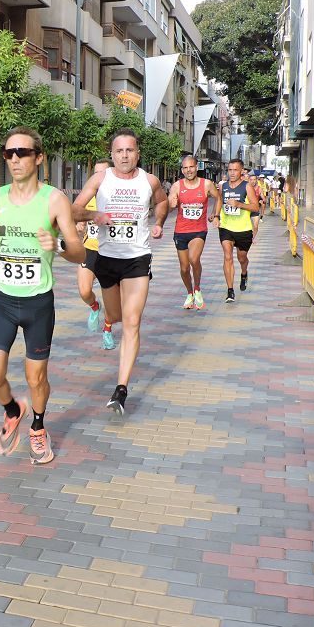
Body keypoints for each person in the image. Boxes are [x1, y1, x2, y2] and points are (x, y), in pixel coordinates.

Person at [0, 127, 84, 465]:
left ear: (38, 158)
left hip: (38, 303)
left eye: (22, 152)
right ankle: (12, 409)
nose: (15, 159)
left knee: (36, 377)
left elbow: (79, 253)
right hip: (2, 300)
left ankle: (37, 426)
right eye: (9, 153)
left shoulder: (54, 200)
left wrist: (60, 245)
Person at [73, 128, 168, 414]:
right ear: (112, 154)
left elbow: (162, 201)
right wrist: (94, 215)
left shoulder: (149, 180)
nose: (125, 155)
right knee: (114, 316)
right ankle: (103, 315)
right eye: (119, 151)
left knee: (132, 321)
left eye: (130, 150)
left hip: (137, 258)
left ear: (138, 153)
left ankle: (121, 388)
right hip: (107, 259)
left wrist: (159, 221)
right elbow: (74, 209)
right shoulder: (100, 179)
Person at [168, 154, 219, 309]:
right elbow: (170, 201)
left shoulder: (206, 184)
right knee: (184, 268)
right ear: (182, 170)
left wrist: (215, 215)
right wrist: (172, 202)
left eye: (191, 167)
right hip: (181, 231)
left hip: (199, 230)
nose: (189, 170)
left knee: (193, 259)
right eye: (185, 168)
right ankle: (190, 293)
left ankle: (197, 288)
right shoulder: (177, 186)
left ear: (197, 168)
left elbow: (218, 198)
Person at [76, 160, 112, 345]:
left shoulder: (119, 198)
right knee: (84, 290)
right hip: (90, 249)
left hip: (112, 253)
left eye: (103, 173)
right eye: (95, 173)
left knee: (112, 298)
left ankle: (107, 329)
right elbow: (76, 214)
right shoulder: (87, 197)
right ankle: (94, 306)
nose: (98, 176)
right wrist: (79, 222)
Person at [214, 159, 260, 302]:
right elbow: (219, 201)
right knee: (227, 257)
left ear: (241, 172)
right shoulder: (223, 186)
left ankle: (244, 273)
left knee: (242, 258)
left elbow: (255, 207)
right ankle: (230, 290)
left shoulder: (247, 187)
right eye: (229, 170)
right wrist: (216, 216)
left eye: (235, 170)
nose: (232, 173)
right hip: (226, 227)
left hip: (243, 229)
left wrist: (239, 204)